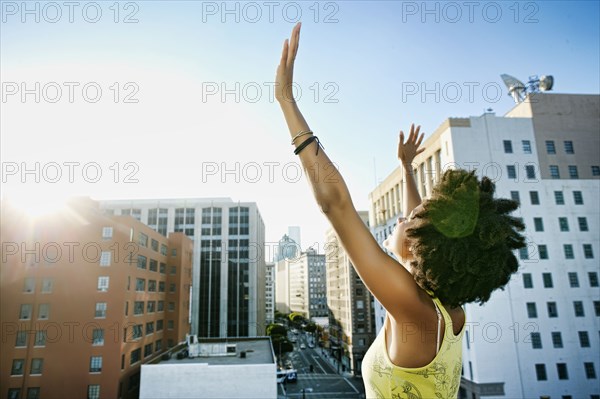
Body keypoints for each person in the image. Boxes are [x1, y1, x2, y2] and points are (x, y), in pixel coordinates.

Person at [275, 23, 526, 398]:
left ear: (422, 245)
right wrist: (407, 169)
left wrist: (285, 101)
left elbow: (336, 204)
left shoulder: (414, 310)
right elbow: (420, 234)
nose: (405, 216)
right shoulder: (445, 306)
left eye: (412, 220)